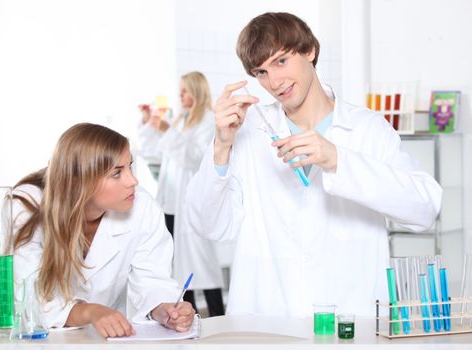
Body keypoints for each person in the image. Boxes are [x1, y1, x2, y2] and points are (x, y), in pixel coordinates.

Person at [185, 12, 443, 318]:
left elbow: (425, 209)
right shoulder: (248, 131)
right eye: (261, 72)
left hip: (351, 319)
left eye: (281, 61)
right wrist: (222, 146)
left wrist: (338, 160)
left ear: (310, 50)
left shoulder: (367, 129)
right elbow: (208, 224)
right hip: (268, 319)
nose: (275, 82)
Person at [12, 123, 195, 338]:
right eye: (117, 173)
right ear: (79, 181)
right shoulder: (26, 205)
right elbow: (30, 293)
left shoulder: (142, 206)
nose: (133, 181)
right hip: (41, 339)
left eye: (130, 166)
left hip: (107, 339)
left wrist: (164, 309)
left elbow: (151, 278)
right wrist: (90, 312)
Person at [142, 71, 225, 317]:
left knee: (202, 265)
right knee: (179, 267)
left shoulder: (208, 120)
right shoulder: (181, 120)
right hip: (171, 203)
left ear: (197, 91)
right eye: (179, 92)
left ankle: (218, 318)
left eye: (185, 91)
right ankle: (189, 320)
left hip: (191, 204)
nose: (180, 96)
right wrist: (151, 125)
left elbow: (196, 158)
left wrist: (168, 131)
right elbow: (156, 153)